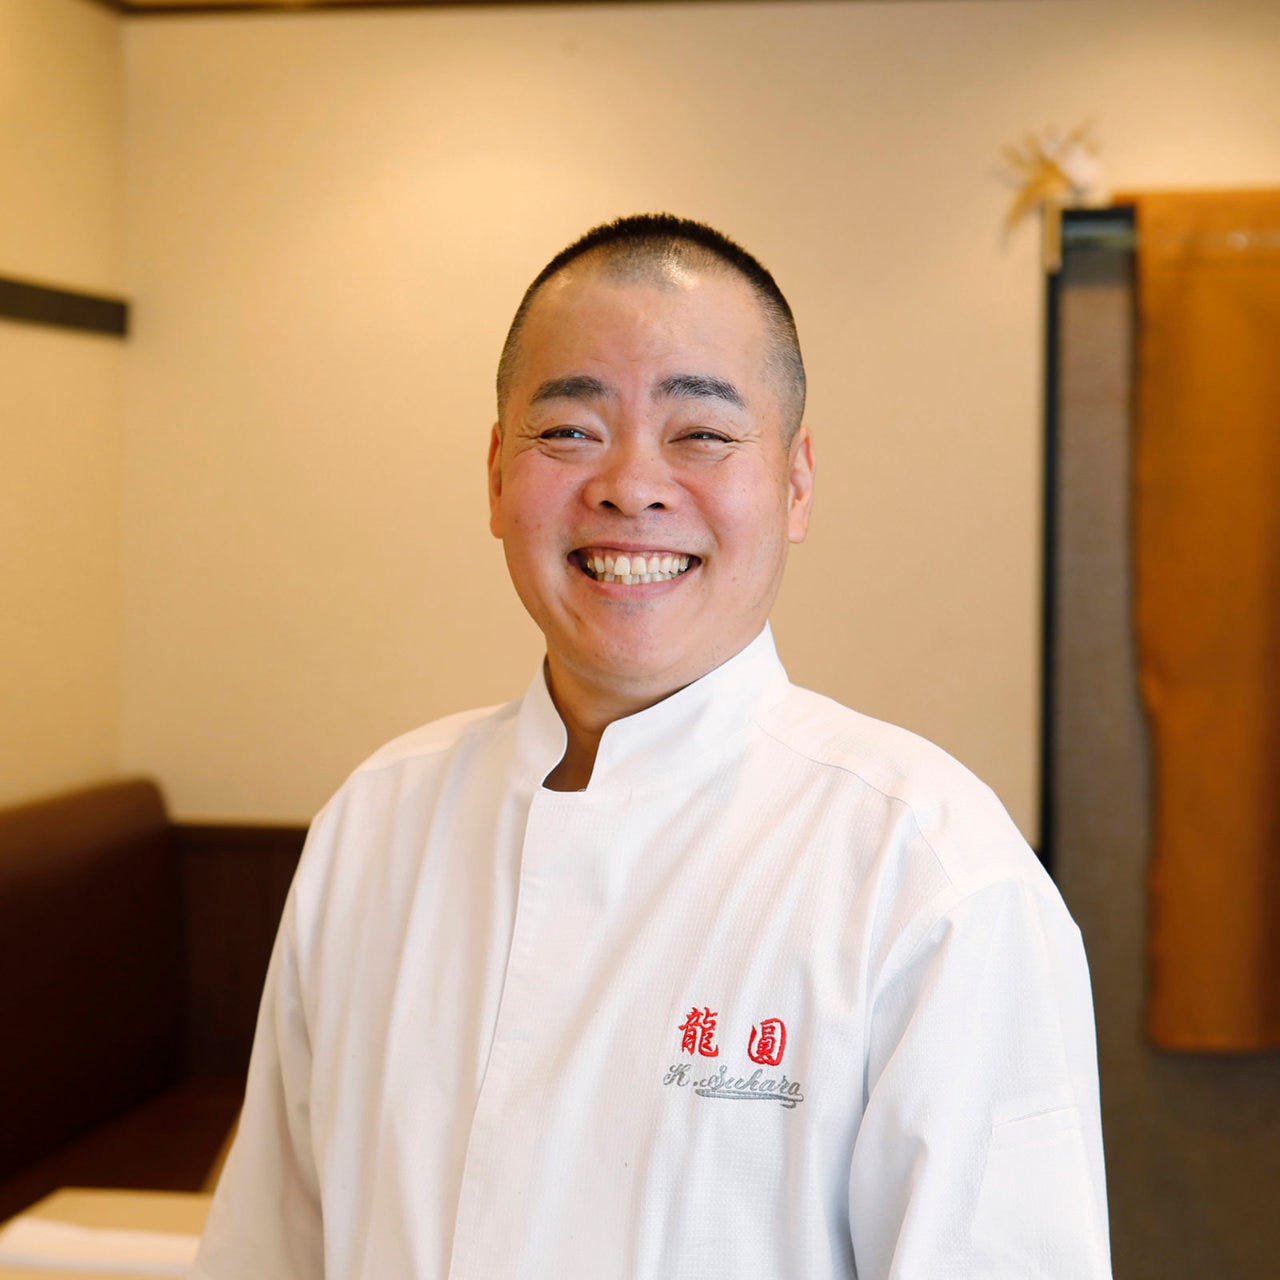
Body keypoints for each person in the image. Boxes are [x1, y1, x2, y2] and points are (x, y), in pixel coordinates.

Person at [193, 214, 1112, 1278]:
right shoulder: (374, 823)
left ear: (796, 483)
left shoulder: (930, 874)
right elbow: (267, 1251)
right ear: (495, 475)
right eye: (569, 430)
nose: (630, 484)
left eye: (701, 434)